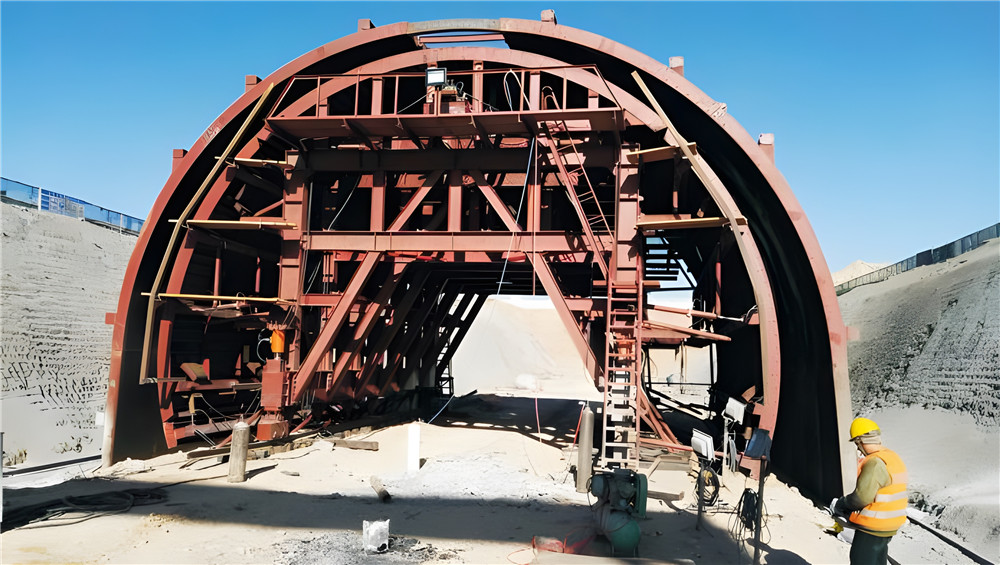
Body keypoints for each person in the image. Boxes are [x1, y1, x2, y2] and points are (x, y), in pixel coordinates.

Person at [830, 417, 908, 565]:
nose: (858, 449)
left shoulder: (875, 462)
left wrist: (842, 503)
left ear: (861, 441)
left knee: (861, 560)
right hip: (890, 525)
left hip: (873, 527)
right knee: (878, 561)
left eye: (857, 444)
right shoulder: (892, 458)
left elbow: (861, 498)